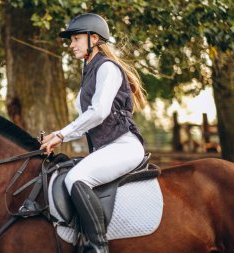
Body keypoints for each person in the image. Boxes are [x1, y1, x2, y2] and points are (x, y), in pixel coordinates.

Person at [40, 13, 147, 253]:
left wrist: (60, 135)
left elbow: (98, 112)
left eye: (76, 38)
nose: (71, 44)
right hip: (107, 148)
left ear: (93, 38)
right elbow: (86, 119)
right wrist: (58, 136)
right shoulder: (90, 71)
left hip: (124, 146)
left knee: (76, 178)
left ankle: (98, 247)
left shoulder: (107, 67)